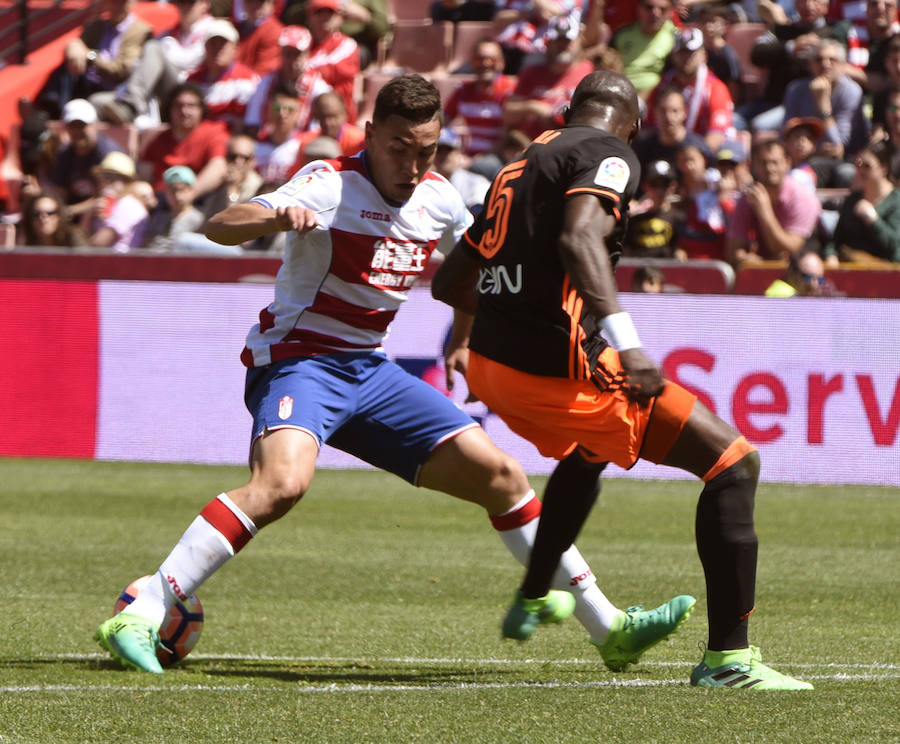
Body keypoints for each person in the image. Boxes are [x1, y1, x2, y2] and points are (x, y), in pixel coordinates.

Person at [94, 73, 693, 675]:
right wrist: (274, 219)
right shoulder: (329, 183)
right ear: (371, 133)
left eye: (425, 152)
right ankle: (145, 609)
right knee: (282, 485)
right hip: (300, 360)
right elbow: (220, 223)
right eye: (398, 149)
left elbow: (476, 265)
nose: (411, 165)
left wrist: (461, 339)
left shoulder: (439, 199)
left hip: (369, 373)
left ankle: (608, 627)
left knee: (504, 477)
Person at [430, 69, 813, 690]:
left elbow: (449, 283)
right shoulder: (607, 154)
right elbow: (582, 237)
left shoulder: (519, 166)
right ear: (631, 124)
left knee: (588, 452)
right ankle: (730, 664)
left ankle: (534, 591)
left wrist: (467, 341)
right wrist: (629, 346)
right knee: (733, 462)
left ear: (570, 107)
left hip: (496, 370)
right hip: (557, 368)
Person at [97, 0, 217, 125]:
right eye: (181, 2)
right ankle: (127, 108)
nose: (184, 7)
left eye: (190, 3)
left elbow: (193, 61)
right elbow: (140, 66)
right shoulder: (169, 34)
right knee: (97, 102)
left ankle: (130, 106)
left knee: (153, 48)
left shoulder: (213, 30)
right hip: (161, 94)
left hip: (194, 89)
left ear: (205, 4)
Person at [35, 0, 152, 119]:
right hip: (87, 80)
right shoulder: (97, 26)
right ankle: (48, 109)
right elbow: (77, 44)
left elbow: (122, 70)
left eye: (122, 2)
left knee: (70, 75)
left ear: (132, 3)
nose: (117, 6)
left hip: (111, 87)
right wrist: (74, 48)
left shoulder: (140, 30)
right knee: (67, 67)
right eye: (113, 2)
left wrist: (91, 57)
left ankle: (51, 114)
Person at [781, 37, 869, 185]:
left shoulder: (851, 91)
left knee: (844, 173)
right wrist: (813, 151)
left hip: (845, 160)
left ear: (842, 65)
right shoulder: (795, 89)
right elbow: (785, 133)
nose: (825, 64)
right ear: (810, 64)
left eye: (832, 60)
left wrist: (823, 106)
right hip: (802, 157)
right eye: (819, 59)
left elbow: (837, 146)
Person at [725, 139, 822, 264]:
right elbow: (732, 251)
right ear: (753, 165)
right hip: (764, 271)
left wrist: (764, 211)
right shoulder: (747, 198)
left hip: (802, 272)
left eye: (775, 162)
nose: (769, 168)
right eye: (763, 163)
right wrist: (745, 258)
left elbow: (790, 249)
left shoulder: (802, 198)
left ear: (787, 163)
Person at [502, 15, 595, 140]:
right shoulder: (532, 72)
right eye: (558, 40)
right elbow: (508, 112)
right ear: (548, 42)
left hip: (575, 142)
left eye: (568, 40)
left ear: (579, 41)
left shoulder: (590, 71)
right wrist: (533, 107)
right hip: (534, 144)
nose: (563, 45)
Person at [645, 27, 735, 153]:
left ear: (704, 55)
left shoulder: (715, 89)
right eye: (682, 52)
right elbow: (649, 127)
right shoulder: (663, 84)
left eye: (691, 53)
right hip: (666, 151)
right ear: (674, 55)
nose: (686, 58)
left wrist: (689, 157)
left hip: (701, 155)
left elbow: (717, 137)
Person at [138, 83, 230, 201]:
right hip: (160, 202)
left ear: (201, 109)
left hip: (197, 202)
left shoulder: (214, 133)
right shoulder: (159, 139)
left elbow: (218, 167)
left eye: (191, 106)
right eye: (178, 106)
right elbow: (144, 175)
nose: (184, 111)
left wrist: (189, 195)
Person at [443, 38, 518, 179]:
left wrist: (471, 162)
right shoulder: (463, 91)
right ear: (472, 62)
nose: (486, 63)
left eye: (492, 59)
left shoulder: (510, 91)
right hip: (470, 155)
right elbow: (443, 122)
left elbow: (506, 137)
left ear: (501, 63)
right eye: (480, 59)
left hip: (500, 157)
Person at [48, 98, 126, 223]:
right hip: (73, 216)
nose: (78, 131)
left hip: (104, 216)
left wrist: (68, 211)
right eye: (73, 126)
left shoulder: (109, 155)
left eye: (82, 125)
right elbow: (59, 192)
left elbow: (107, 198)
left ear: (95, 125)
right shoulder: (65, 154)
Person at [243, 25, 330, 137]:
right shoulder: (266, 82)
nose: (292, 61)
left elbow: (318, 131)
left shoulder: (319, 87)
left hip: (304, 144)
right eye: (288, 54)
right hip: (269, 142)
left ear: (307, 55)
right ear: (281, 54)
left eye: (297, 54)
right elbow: (252, 122)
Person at [827, 139, 900, 264]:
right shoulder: (853, 200)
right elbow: (836, 240)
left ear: (884, 168)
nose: (861, 170)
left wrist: (872, 219)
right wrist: (830, 256)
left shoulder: (896, 201)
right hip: (851, 271)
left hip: (886, 273)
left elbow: (893, 245)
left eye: (867, 166)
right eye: (858, 165)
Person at [186, 19, 261, 126]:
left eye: (223, 44)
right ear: (205, 47)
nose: (217, 49)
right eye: (213, 43)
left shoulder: (246, 81)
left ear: (235, 49)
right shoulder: (192, 81)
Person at [610, 0, 677, 96]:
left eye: (662, 9)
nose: (655, 13)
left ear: (670, 12)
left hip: (655, 100)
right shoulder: (622, 35)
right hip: (620, 94)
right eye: (649, 7)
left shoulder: (675, 38)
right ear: (639, 8)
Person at [19, 193, 87, 247]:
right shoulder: (25, 240)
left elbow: (87, 261)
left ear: (59, 216)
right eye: (36, 214)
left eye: (50, 213)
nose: (43, 218)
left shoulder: (72, 236)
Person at [764, 248, 836, 295]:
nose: (814, 284)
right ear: (793, 274)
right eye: (808, 277)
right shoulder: (782, 294)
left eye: (820, 279)